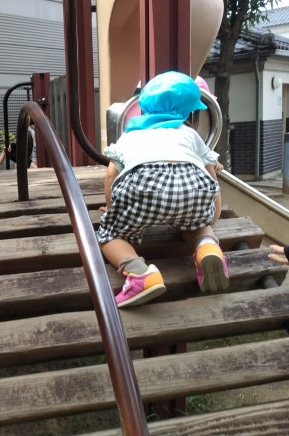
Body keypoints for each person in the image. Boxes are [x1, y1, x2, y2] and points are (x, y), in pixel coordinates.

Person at [96, 71, 229, 308]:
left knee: (109, 235)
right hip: (192, 192)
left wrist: (112, 208)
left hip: (142, 193)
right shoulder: (191, 135)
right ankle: (208, 247)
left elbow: (110, 175)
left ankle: (139, 274)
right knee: (197, 226)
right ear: (189, 112)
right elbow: (210, 175)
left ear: (143, 107)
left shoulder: (131, 134)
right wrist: (211, 216)